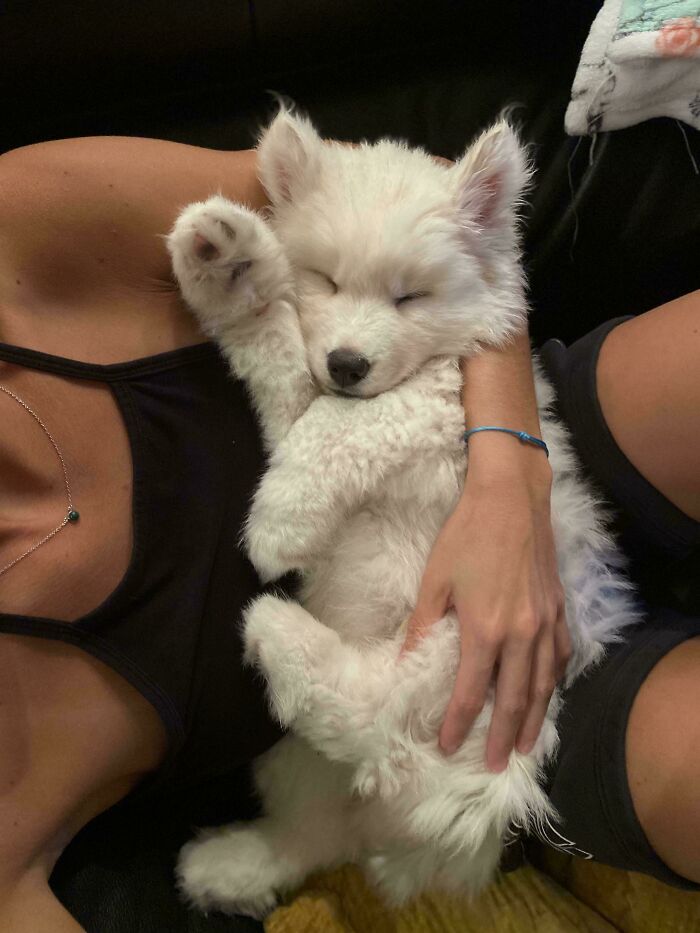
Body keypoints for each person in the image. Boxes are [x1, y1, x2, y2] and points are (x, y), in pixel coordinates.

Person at [0, 135, 698, 933]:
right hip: (469, 732)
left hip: (500, 427)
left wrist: (510, 474)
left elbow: (444, 201)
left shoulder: (15, 225)